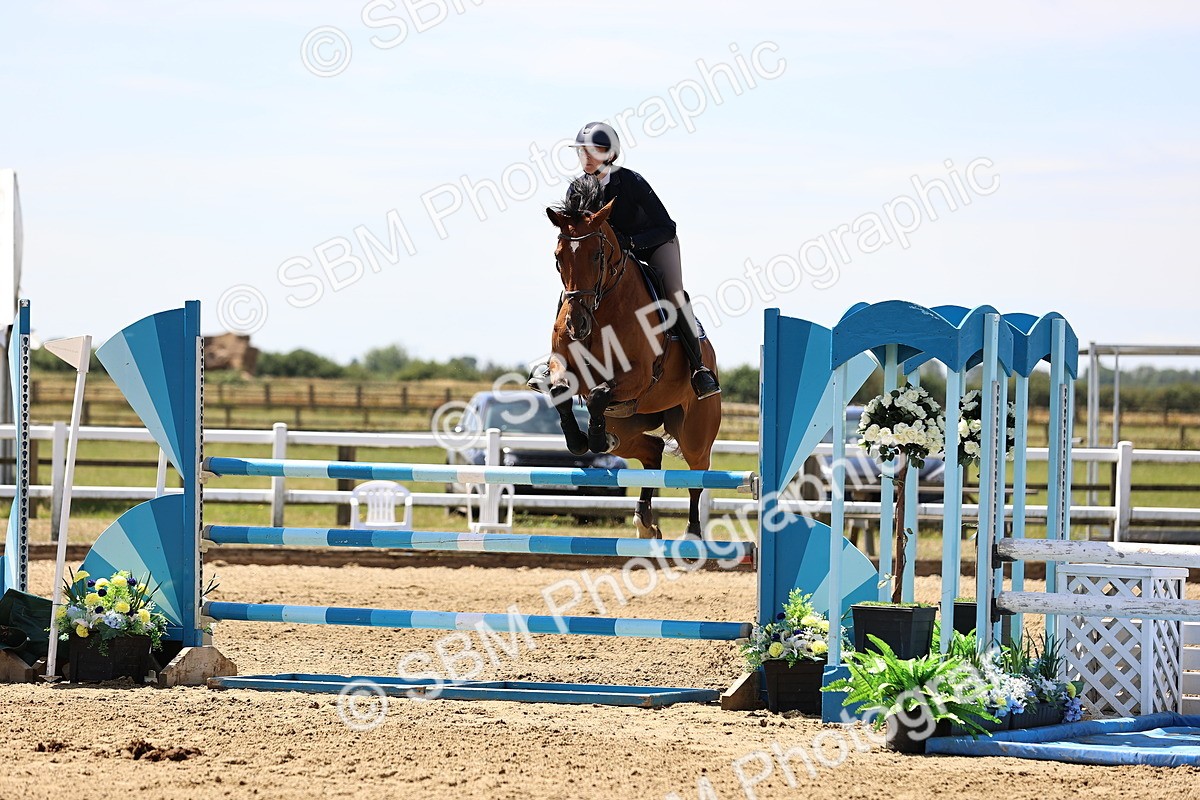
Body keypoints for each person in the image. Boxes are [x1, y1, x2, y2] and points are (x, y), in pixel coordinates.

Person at [532, 121, 720, 400]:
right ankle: (555, 360)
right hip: (608, 256)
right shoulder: (577, 189)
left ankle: (698, 368)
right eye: (582, 152)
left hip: (653, 245)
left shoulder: (632, 183)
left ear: (610, 154)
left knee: (674, 294)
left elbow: (666, 227)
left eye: (593, 151)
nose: (585, 157)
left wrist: (631, 243)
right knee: (572, 292)